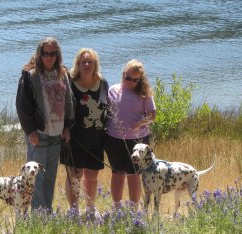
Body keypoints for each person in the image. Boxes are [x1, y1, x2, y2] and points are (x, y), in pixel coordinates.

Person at [16, 37, 74, 212]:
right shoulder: (30, 75)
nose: (49, 57)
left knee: (50, 177)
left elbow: (70, 101)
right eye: (45, 53)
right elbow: (22, 106)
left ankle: (46, 212)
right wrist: (30, 131)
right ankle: (37, 215)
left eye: (53, 54)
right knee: (36, 178)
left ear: (58, 55)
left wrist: (67, 127)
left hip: (57, 133)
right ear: (39, 54)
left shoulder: (63, 73)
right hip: (38, 134)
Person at [60, 48, 109, 218]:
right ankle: (73, 210)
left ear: (95, 65)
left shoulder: (102, 83)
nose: (87, 65)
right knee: (74, 175)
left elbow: (107, 108)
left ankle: (90, 208)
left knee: (92, 176)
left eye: (90, 62)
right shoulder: (70, 83)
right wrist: (65, 128)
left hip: (96, 138)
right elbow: (63, 109)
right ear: (78, 65)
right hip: (74, 138)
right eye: (84, 62)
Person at [105, 59, 156, 210]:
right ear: (123, 74)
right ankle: (117, 207)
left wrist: (140, 123)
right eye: (128, 78)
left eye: (136, 80)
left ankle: (134, 209)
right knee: (117, 174)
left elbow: (152, 116)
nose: (131, 82)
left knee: (134, 175)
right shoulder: (112, 90)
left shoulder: (144, 93)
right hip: (114, 139)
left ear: (141, 79)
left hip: (138, 140)